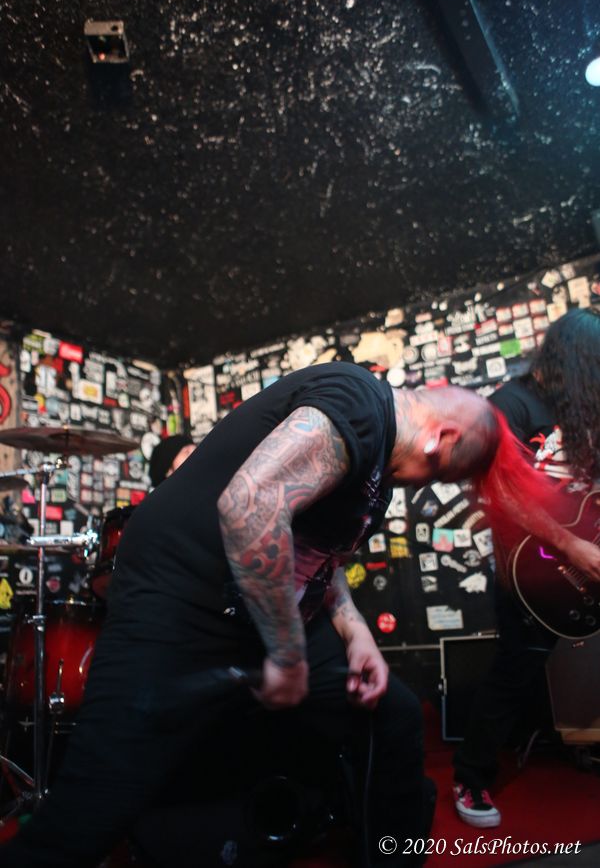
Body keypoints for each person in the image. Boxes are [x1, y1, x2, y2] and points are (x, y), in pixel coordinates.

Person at [2, 361, 599, 868]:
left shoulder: (376, 465)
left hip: (256, 609)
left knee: (391, 717)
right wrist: (288, 655)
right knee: (94, 807)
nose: (421, 488)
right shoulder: (357, 407)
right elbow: (252, 506)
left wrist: (356, 634)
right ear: (438, 440)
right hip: (178, 601)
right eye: (436, 476)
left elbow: (314, 556)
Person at [452, 306, 600, 828]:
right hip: (533, 567)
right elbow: (497, 492)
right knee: (516, 668)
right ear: (575, 359)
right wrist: (572, 547)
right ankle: (470, 776)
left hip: (583, 560)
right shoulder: (510, 405)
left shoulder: (580, 409)